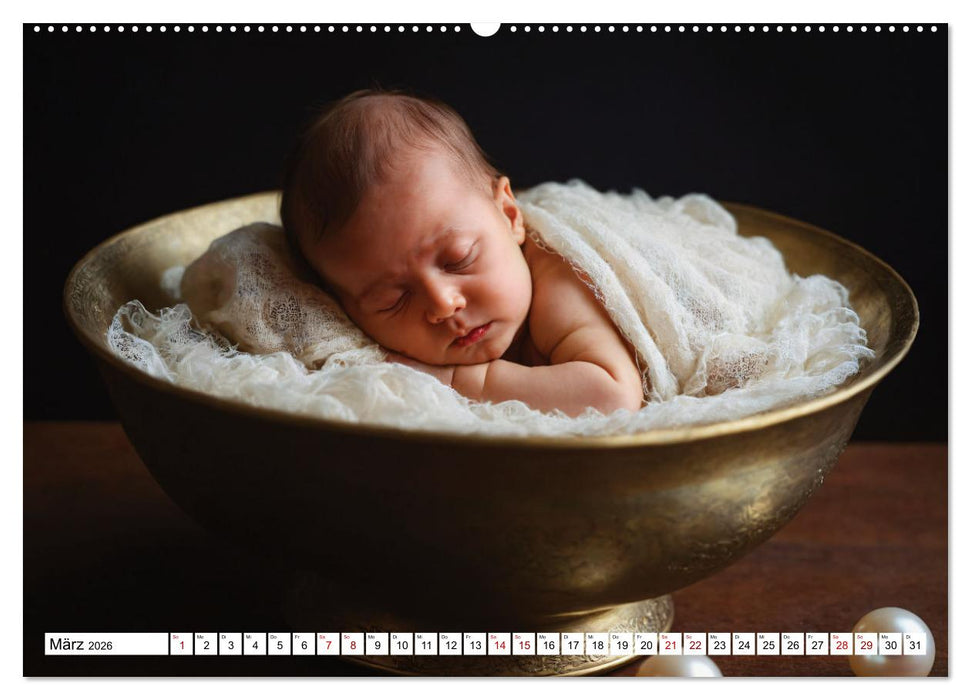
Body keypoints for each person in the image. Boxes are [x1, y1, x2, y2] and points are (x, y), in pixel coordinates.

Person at [280, 89, 644, 417]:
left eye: (458, 259)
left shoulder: (560, 281)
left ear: (509, 215)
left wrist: (463, 380)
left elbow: (613, 396)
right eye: (393, 299)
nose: (443, 304)